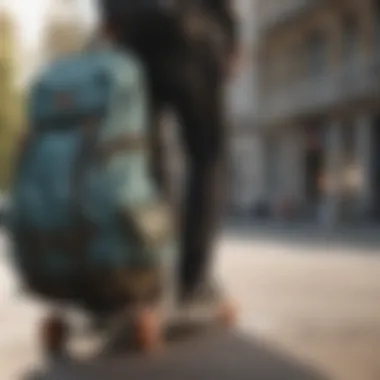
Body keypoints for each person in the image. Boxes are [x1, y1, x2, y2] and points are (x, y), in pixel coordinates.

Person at [98, 0, 238, 303]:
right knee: (208, 158)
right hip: (193, 30)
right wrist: (231, 38)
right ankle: (193, 281)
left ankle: (149, 271)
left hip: (134, 32)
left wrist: (111, 18)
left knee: (145, 160)